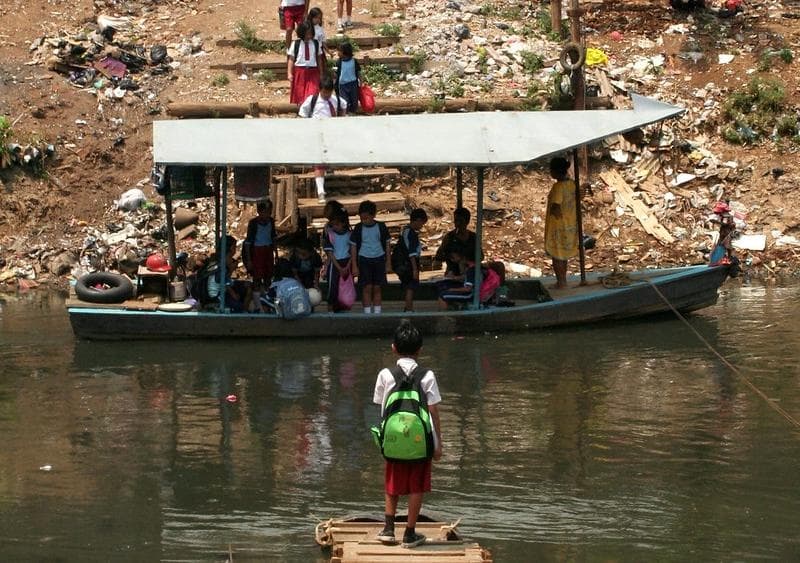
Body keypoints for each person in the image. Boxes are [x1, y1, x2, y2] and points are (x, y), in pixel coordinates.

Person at [373, 320, 442, 548]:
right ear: (420, 349)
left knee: (392, 482)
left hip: (393, 439)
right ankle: (410, 533)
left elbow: (381, 406)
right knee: (417, 485)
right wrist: (438, 443)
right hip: (420, 441)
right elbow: (433, 411)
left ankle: (388, 529)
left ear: (393, 348)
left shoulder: (385, 374)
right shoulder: (427, 375)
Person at [298, 76, 347, 202]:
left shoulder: (335, 100)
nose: (327, 95)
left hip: (330, 135)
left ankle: (328, 172)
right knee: (319, 161)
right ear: (320, 90)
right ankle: (321, 192)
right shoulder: (312, 100)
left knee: (326, 159)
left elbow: (343, 106)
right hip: (317, 134)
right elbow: (302, 113)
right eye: (325, 92)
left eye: (329, 92)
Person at [351, 200, 390, 314]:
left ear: (373, 215)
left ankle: (377, 311)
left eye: (366, 218)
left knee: (377, 287)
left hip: (379, 259)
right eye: (362, 219)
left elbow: (387, 245)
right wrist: (354, 265)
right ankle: (367, 312)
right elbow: (353, 247)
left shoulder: (381, 227)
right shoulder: (358, 228)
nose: (364, 221)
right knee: (366, 287)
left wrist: (388, 262)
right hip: (364, 260)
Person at [544, 156, 578, 289]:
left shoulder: (558, 187)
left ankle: (561, 282)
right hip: (570, 225)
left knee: (557, 255)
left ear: (556, 171)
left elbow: (556, 206)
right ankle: (563, 280)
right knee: (563, 255)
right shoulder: (572, 184)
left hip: (558, 226)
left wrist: (553, 209)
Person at [434, 207, 479, 287]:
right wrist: (451, 256)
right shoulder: (449, 237)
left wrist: (464, 260)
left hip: (469, 274)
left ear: (467, 222)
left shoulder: (473, 237)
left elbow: (480, 256)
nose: (457, 224)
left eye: (461, 221)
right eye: (456, 221)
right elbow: (438, 257)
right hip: (453, 274)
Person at [394, 208, 428, 312]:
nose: (422, 226)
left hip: (405, 264)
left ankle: (408, 307)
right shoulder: (411, 233)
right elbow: (412, 253)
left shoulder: (405, 231)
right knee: (410, 287)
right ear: (417, 220)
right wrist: (415, 269)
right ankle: (409, 308)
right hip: (409, 265)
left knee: (409, 286)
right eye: (422, 223)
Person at [207, 235, 252, 312]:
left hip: (222, 289)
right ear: (231, 248)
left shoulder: (225, 259)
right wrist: (234, 295)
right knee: (238, 306)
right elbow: (224, 282)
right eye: (235, 247)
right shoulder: (222, 262)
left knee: (248, 286)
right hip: (217, 295)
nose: (235, 249)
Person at [322, 208, 354, 311]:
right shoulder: (331, 235)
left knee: (347, 287)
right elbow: (330, 253)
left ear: (343, 223)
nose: (334, 227)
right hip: (334, 263)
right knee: (333, 287)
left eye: (337, 224)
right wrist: (339, 267)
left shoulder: (350, 235)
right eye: (333, 225)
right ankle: (331, 309)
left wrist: (348, 266)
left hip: (347, 262)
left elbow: (352, 252)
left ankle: (344, 307)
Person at [243, 200, 279, 288]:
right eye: (265, 212)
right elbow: (248, 242)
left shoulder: (271, 221)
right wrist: (249, 260)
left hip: (268, 250)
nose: (267, 214)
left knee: (269, 273)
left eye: (269, 212)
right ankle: (257, 293)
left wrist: (276, 253)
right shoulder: (253, 223)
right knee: (257, 274)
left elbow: (273, 237)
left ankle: (267, 292)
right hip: (257, 251)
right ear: (259, 211)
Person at [287, 22, 325, 105]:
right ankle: (303, 112)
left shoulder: (316, 43)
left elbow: (319, 59)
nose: (309, 36)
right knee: (300, 94)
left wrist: (321, 73)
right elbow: (291, 59)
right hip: (300, 71)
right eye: (306, 34)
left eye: (310, 34)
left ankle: (311, 110)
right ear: (301, 33)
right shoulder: (295, 44)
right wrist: (289, 73)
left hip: (313, 71)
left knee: (313, 92)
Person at [334, 41, 361, 114]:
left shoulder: (354, 61)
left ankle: (353, 112)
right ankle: (345, 114)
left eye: (339, 51)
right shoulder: (338, 62)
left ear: (345, 52)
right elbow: (336, 74)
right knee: (344, 101)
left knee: (354, 101)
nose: (337, 53)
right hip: (342, 85)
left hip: (353, 84)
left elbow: (358, 72)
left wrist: (362, 81)